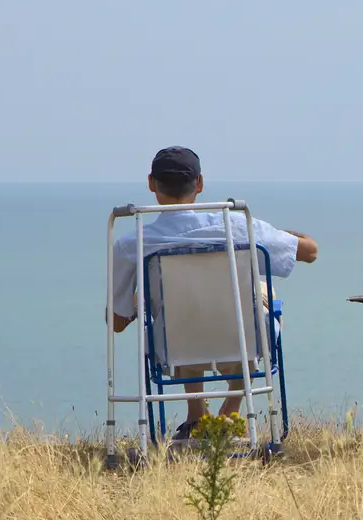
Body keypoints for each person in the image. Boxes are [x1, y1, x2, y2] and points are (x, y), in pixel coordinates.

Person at [110, 146, 319, 440]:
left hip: (174, 345)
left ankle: (196, 416)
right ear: (200, 184)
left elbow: (117, 323)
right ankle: (231, 412)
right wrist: (278, 234)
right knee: (262, 293)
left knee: (176, 309)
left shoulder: (133, 244)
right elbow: (310, 252)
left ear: (151, 184)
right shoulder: (238, 226)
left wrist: (135, 303)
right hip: (243, 339)